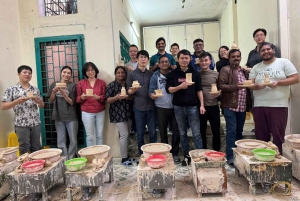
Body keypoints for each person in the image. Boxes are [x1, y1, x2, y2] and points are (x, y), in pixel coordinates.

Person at [249, 42, 299, 154]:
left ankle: (279, 161)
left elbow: (295, 78)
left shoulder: (283, 62)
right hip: (259, 105)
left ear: (273, 50)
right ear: (259, 53)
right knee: (261, 137)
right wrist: (257, 86)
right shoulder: (256, 67)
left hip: (278, 105)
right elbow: (250, 85)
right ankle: (263, 160)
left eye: (268, 49)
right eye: (263, 50)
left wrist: (278, 83)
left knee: (278, 136)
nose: (266, 52)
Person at [166, 49, 205, 166]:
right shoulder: (172, 74)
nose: (184, 60)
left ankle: (199, 156)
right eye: (182, 58)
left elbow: (199, 89)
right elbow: (169, 90)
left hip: (193, 106)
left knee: (196, 133)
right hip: (178, 107)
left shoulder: (195, 72)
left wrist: (202, 105)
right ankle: (187, 156)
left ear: (190, 59)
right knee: (182, 133)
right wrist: (180, 86)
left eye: (186, 58)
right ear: (178, 59)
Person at [218, 49, 252, 166]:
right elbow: (221, 85)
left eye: (238, 56)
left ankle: (238, 153)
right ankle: (230, 156)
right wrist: (236, 86)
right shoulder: (225, 69)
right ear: (229, 58)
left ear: (240, 58)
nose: (236, 58)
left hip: (242, 106)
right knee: (231, 131)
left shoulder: (244, 71)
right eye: (233, 57)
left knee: (239, 131)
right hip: (230, 105)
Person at [1, 65, 44, 155]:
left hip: (35, 122)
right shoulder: (11, 89)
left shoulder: (35, 89)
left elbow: (42, 105)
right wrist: (16, 101)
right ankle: (25, 167)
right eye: (24, 72)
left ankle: (36, 166)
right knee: (24, 147)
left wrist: (38, 101)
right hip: (21, 123)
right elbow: (3, 106)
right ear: (18, 74)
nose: (27, 74)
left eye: (29, 73)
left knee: (36, 147)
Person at [149, 55, 181, 164]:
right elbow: (150, 91)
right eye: (162, 62)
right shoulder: (155, 76)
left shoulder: (174, 74)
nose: (164, 64)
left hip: (175, 107)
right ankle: (165, 153)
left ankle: (175, 153)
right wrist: (153, 96)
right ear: (158, 63)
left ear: (169, 63)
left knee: (176, 131)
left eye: (166, 62)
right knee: (163, 132)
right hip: (161, 107)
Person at [127, 50, 157, 155]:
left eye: (145, 57)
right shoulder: (131, 75)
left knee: (153, 133)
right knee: (140, 133)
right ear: (137, 59)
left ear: (148, 60)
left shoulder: (152, 74)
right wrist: (133, 90)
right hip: (138, 107)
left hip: (151, 107)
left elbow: (155, 89)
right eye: (141, 57)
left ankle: (153, 154)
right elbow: (129, 91)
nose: (143, 59)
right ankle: (142, 155)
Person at [47, 66, 78, 159]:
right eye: (64, 72)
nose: (66, 75)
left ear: (71, 75)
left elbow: (72, 102)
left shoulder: (73, 86)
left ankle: (71, 158)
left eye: (69, 73)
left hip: (71, 116)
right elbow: (50, 101)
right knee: (60, 140)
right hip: (58, 116)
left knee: (73, 139)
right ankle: (64, 159)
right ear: (61, 73)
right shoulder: (54, 84)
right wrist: (53, 92)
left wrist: (64, 94)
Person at [106, 66, 134, 166]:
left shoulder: (128, 84)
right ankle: (124, 158)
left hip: (128, 112)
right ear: (115, 74)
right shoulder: (111, 85)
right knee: (124, 134)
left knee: (127, 135)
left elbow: (133, 97)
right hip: (117, 113)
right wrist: (116, 97)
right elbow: (108, 100)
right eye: (118, 73)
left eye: (122, 73)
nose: (121, 74)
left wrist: (129, 96)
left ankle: (127, 155)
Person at [76, 62, 106, 147]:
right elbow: (77, 99)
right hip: (87, 112)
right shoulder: (81, 83)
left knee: (100, 135)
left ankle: (100, 155)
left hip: (100, 111)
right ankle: (90, 155)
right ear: (85, 72)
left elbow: (105, 97)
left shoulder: (101, 83)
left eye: (92, 70)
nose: (90, 72)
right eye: (88, 70)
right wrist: (82, 97)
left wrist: (99, 98)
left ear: (95, 70)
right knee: (90, 136)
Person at [199, 52, 221, 151]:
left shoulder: (216, 74)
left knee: (216, 130)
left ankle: (216, 151)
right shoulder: (196, 74)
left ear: (210, 61)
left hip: (213, 105)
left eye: (206, 60)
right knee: (201, 131)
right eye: (202, 61)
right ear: (199, 62)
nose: (204, 62)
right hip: (200, 107)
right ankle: (203, 150)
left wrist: (220, 93)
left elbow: (221, 88)